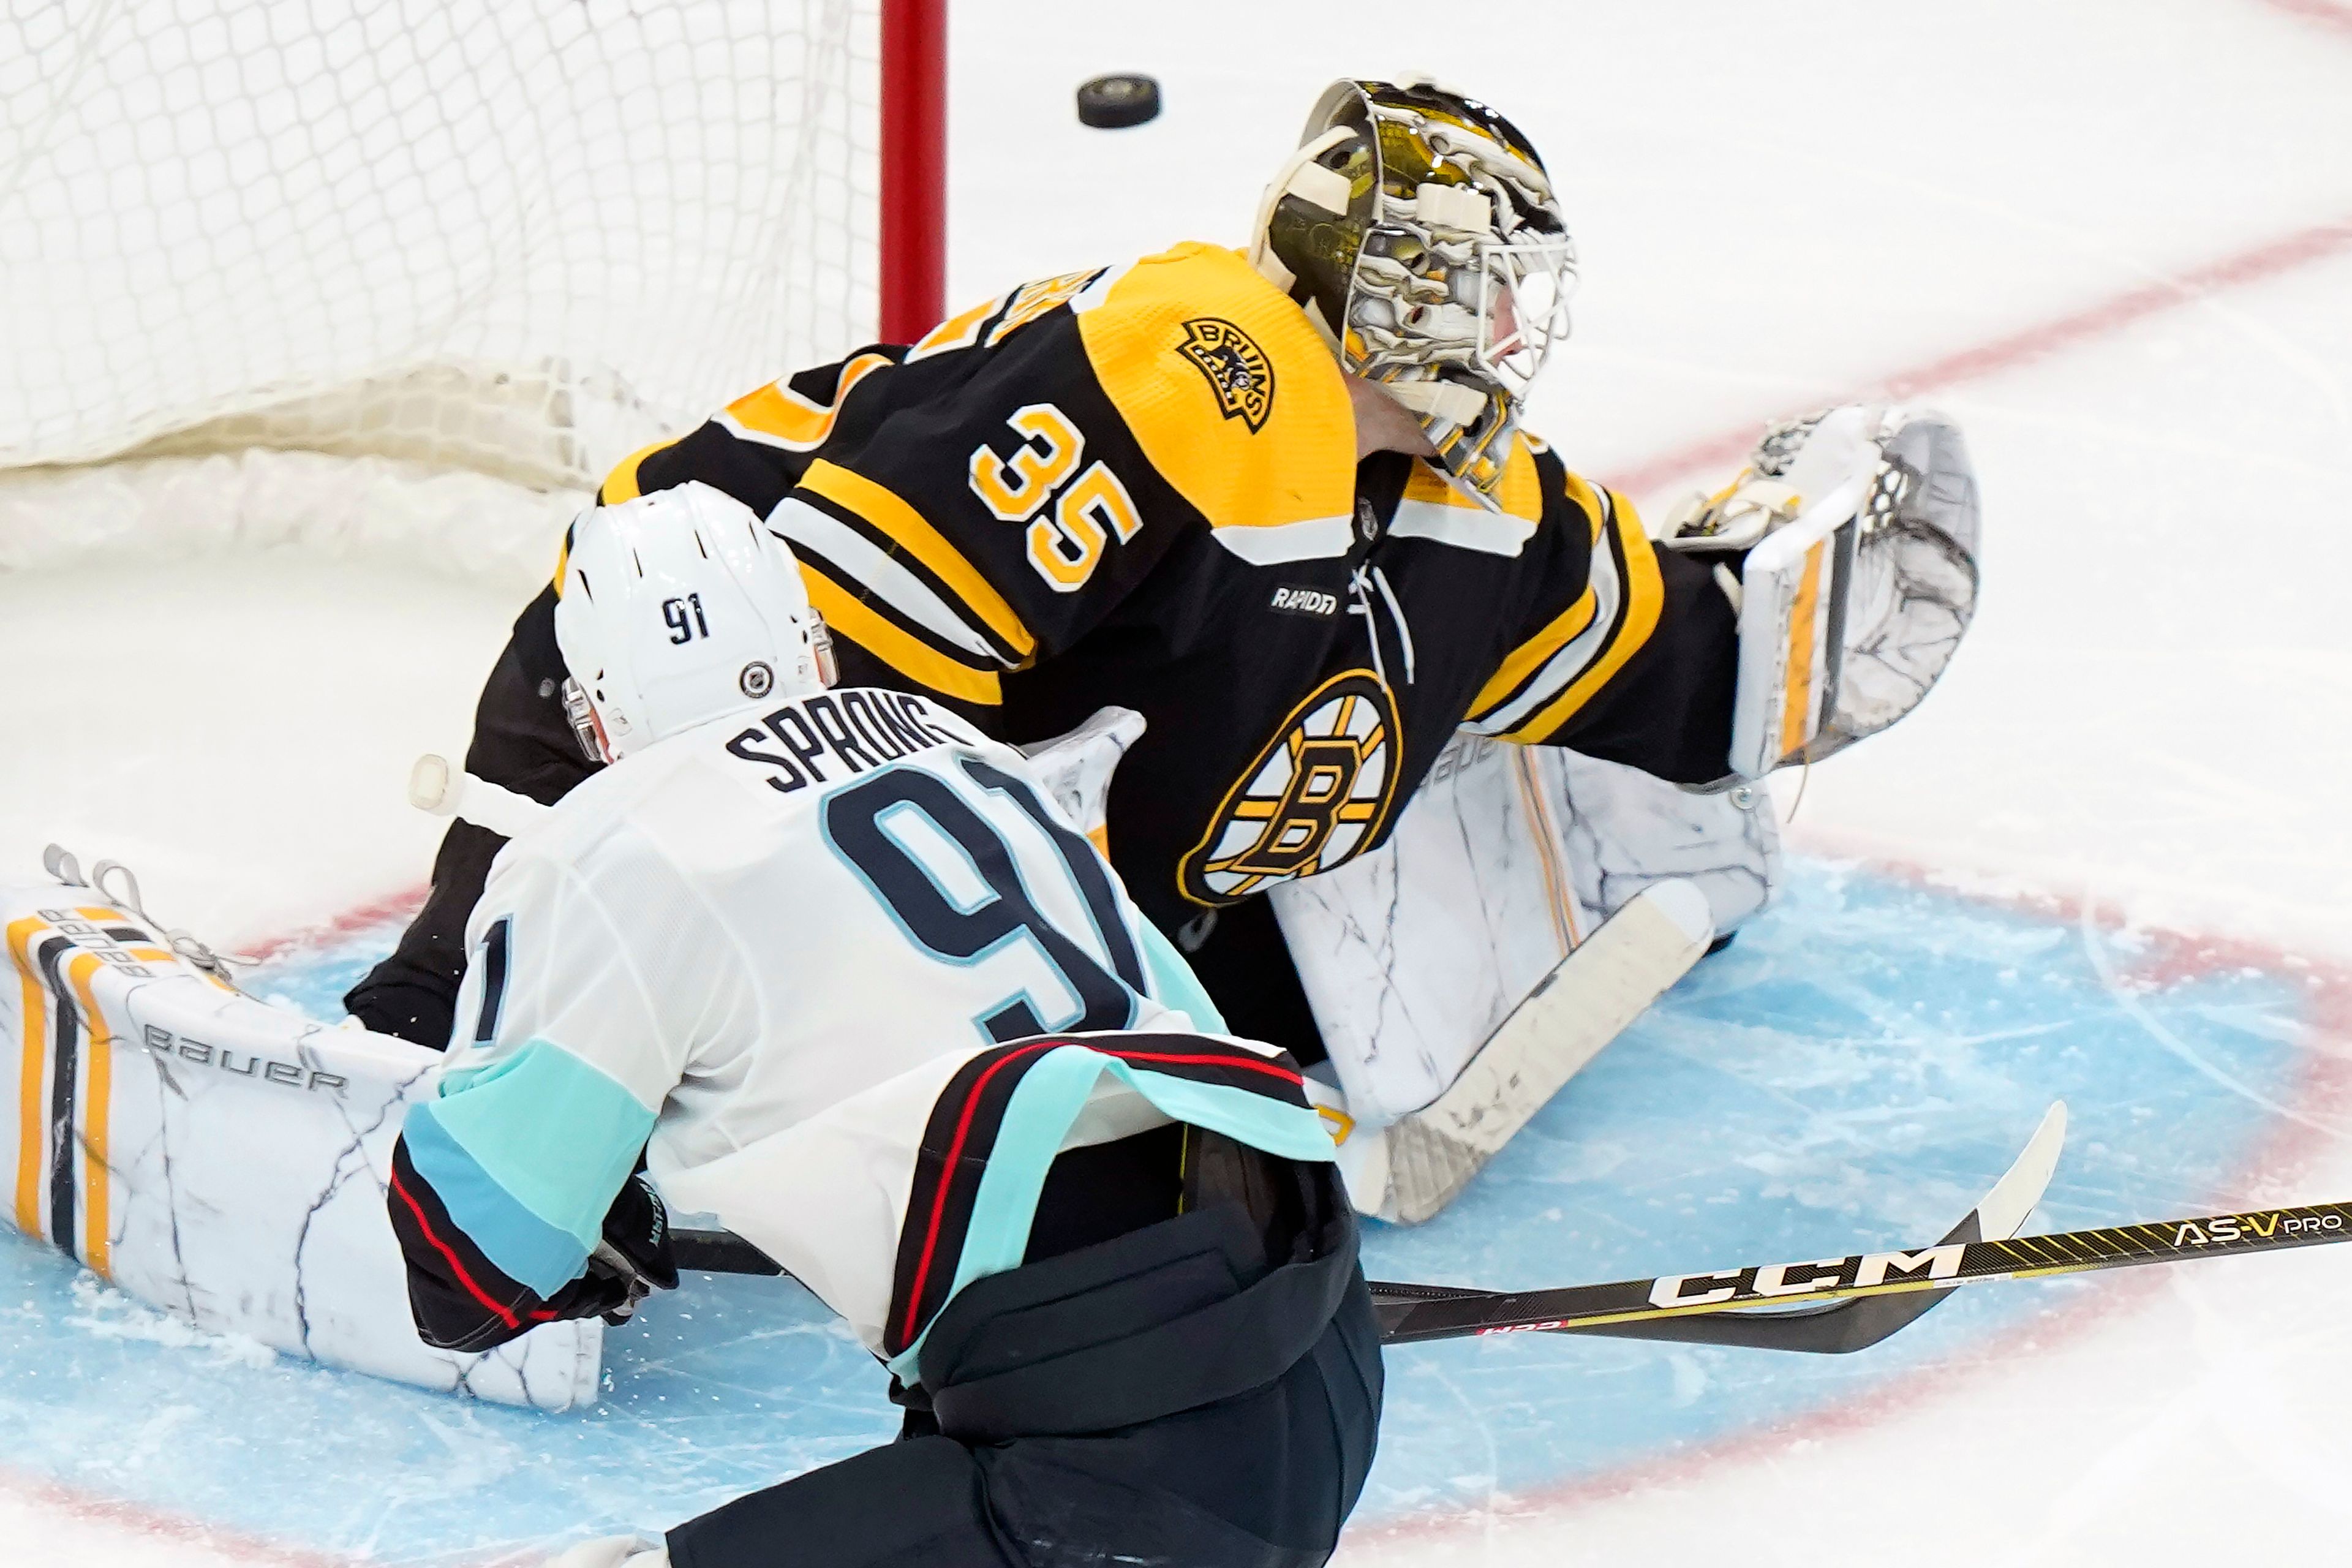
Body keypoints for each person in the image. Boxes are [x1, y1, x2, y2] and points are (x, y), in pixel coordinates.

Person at [349, 77, 1978, 1101]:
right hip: (664, 688)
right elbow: (815, 669)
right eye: (1470, 285)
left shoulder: (1485, 507)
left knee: (1228, 1070)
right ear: (1366, 273)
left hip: (1002, 868)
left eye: (1516, 295)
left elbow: (1672, 659)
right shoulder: (1202, 366)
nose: (1503, 333)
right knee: (554, 1033)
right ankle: (430, 1048)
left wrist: (1818, 630)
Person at [385, 484, 1381, 1568]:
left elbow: (471, 1269)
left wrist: (597, 1222)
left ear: (597, 721)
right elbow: (1192, 1042)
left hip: (1106, 1486)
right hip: (1319, 1341)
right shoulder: (957, 746)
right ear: (814, 652)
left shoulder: (608, 846)